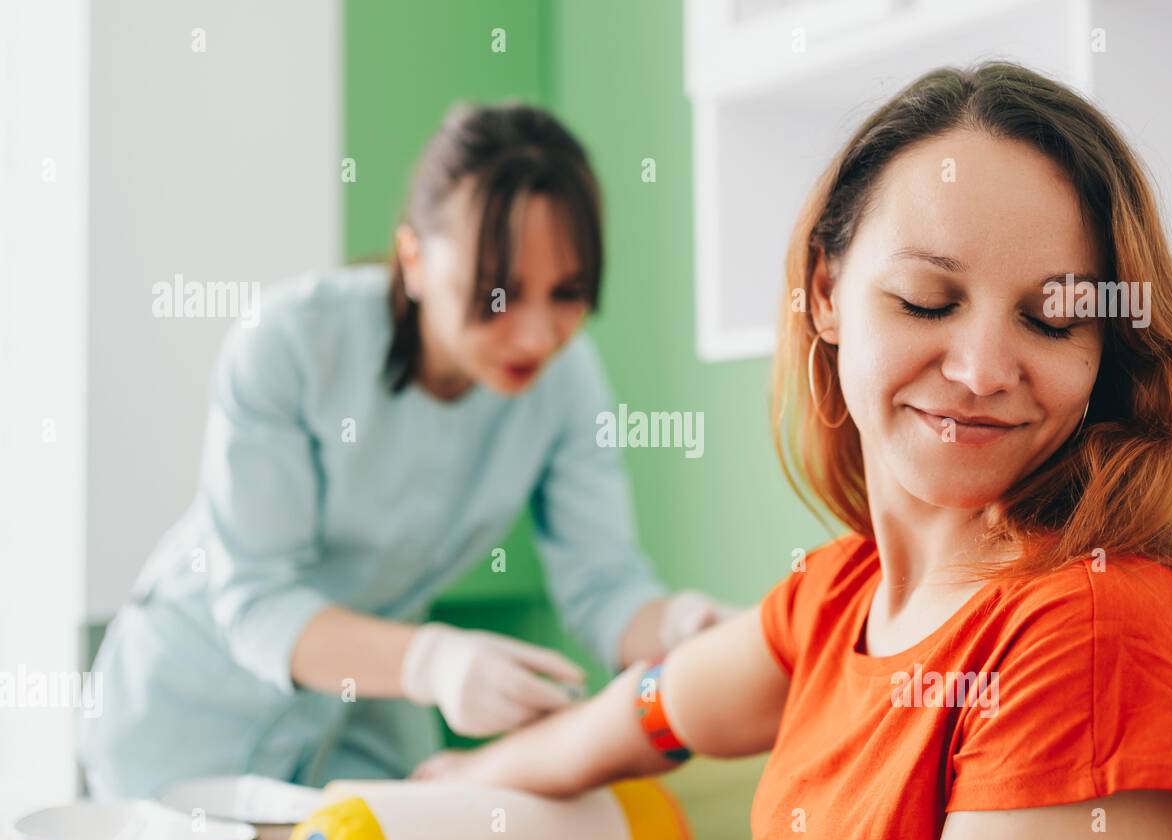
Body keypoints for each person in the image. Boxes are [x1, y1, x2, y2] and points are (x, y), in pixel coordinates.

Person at [409, 64, 1172, 840]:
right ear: (825, 294)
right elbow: (650, 708)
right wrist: (463, 784)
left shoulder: (1099, 631)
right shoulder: (838, 596)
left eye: (1054, 320)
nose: (981, 371)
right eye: (927, 301)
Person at [79, 101, 732, 800]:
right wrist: (433, 664)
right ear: (415, 259)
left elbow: (603, 585)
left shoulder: (567, 382)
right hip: (184, 714)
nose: (538, 335)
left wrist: (681, 627)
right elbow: (260, 602)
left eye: (568, 293)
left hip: (358, 726)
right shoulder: (290, 342)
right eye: (499, 294)